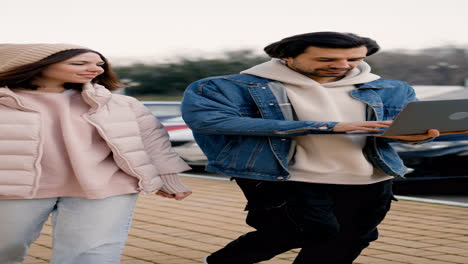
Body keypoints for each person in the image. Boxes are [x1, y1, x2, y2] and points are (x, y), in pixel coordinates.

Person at [181, 32, 456, 264]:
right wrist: (328, 126)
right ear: (286, 57)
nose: (343, 65)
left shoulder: (392, 88)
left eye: (354, 58)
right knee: (299, 231)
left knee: (351, 240)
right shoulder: (224, 87)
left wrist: (414, 137)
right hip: (285, 175)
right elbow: (210, 121)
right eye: (327, 59)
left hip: (369, 176)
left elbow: (404, 129)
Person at [0, 43, 192, 264]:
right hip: (13, 188)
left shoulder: (120, 104)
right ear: (35, 65)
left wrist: (167, 178)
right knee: (6, 248)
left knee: (92, 255)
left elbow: (153, 142)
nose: (96, 69)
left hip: (106, 186)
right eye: (80, 63)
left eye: (99, 64)